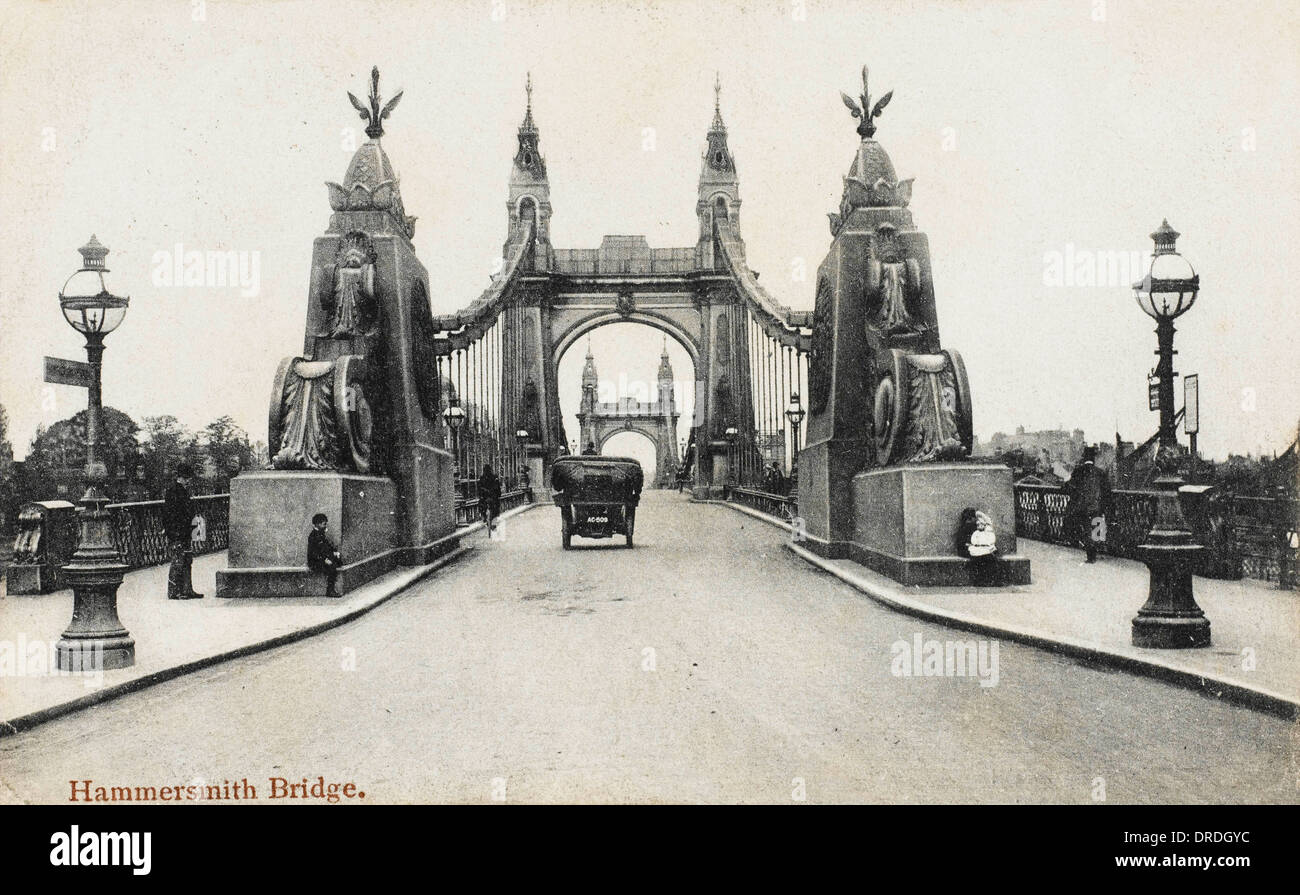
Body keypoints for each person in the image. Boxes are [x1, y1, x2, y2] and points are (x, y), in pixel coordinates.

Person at [1065, 445, 1112, 563]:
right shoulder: (1100, 472)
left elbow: (1069, 487)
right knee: (1095, 529)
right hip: (1097, 507)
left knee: (1085, 529)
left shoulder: (1078, 471)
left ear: (1083, 457)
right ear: (1094, 459)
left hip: (1081, 508)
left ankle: (1090, 555)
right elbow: (1107, 491)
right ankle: (1094, 553)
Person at [163, 463, 203, 599]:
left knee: (185, 560)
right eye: (188, 478)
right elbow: (171, 515)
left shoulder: (177, 491)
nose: (189, 481)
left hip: (182, 532)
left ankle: (186, 589)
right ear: (184, 478)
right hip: (178, 533)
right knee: (179, 561)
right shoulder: (175, 492)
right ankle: (175, 591)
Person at [956, 507, 1000, 586]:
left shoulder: (979, 529)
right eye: (970, 519)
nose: (973, 521)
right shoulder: (965, 529)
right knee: (980, 560)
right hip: (971, 549)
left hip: (980, 549)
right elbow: (963, 542)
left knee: (987, 559)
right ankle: (981, 580)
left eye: (973, 519)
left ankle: (990, 579)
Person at [307, 512, 343, 597]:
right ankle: (330, 590)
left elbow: (326, 547)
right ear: (318, 524)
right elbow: (314, 553)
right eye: (324, 524)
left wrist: (334, 553)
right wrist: (324, 560)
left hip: (322, 558)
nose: (325, 526)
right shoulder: (313, 536)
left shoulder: (321, 534)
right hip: (315, 561)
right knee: (332, 566)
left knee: (338, 561)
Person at [479, 463, 502, 535]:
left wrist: (482, 494)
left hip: (485, 497)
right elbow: (497, 488)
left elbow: (480, 488)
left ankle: (484, 517)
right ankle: (492, 521)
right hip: (492, 496)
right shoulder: (494, 477)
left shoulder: (482, 477)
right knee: (496, 507)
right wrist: (498, 494)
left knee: (481, 505)